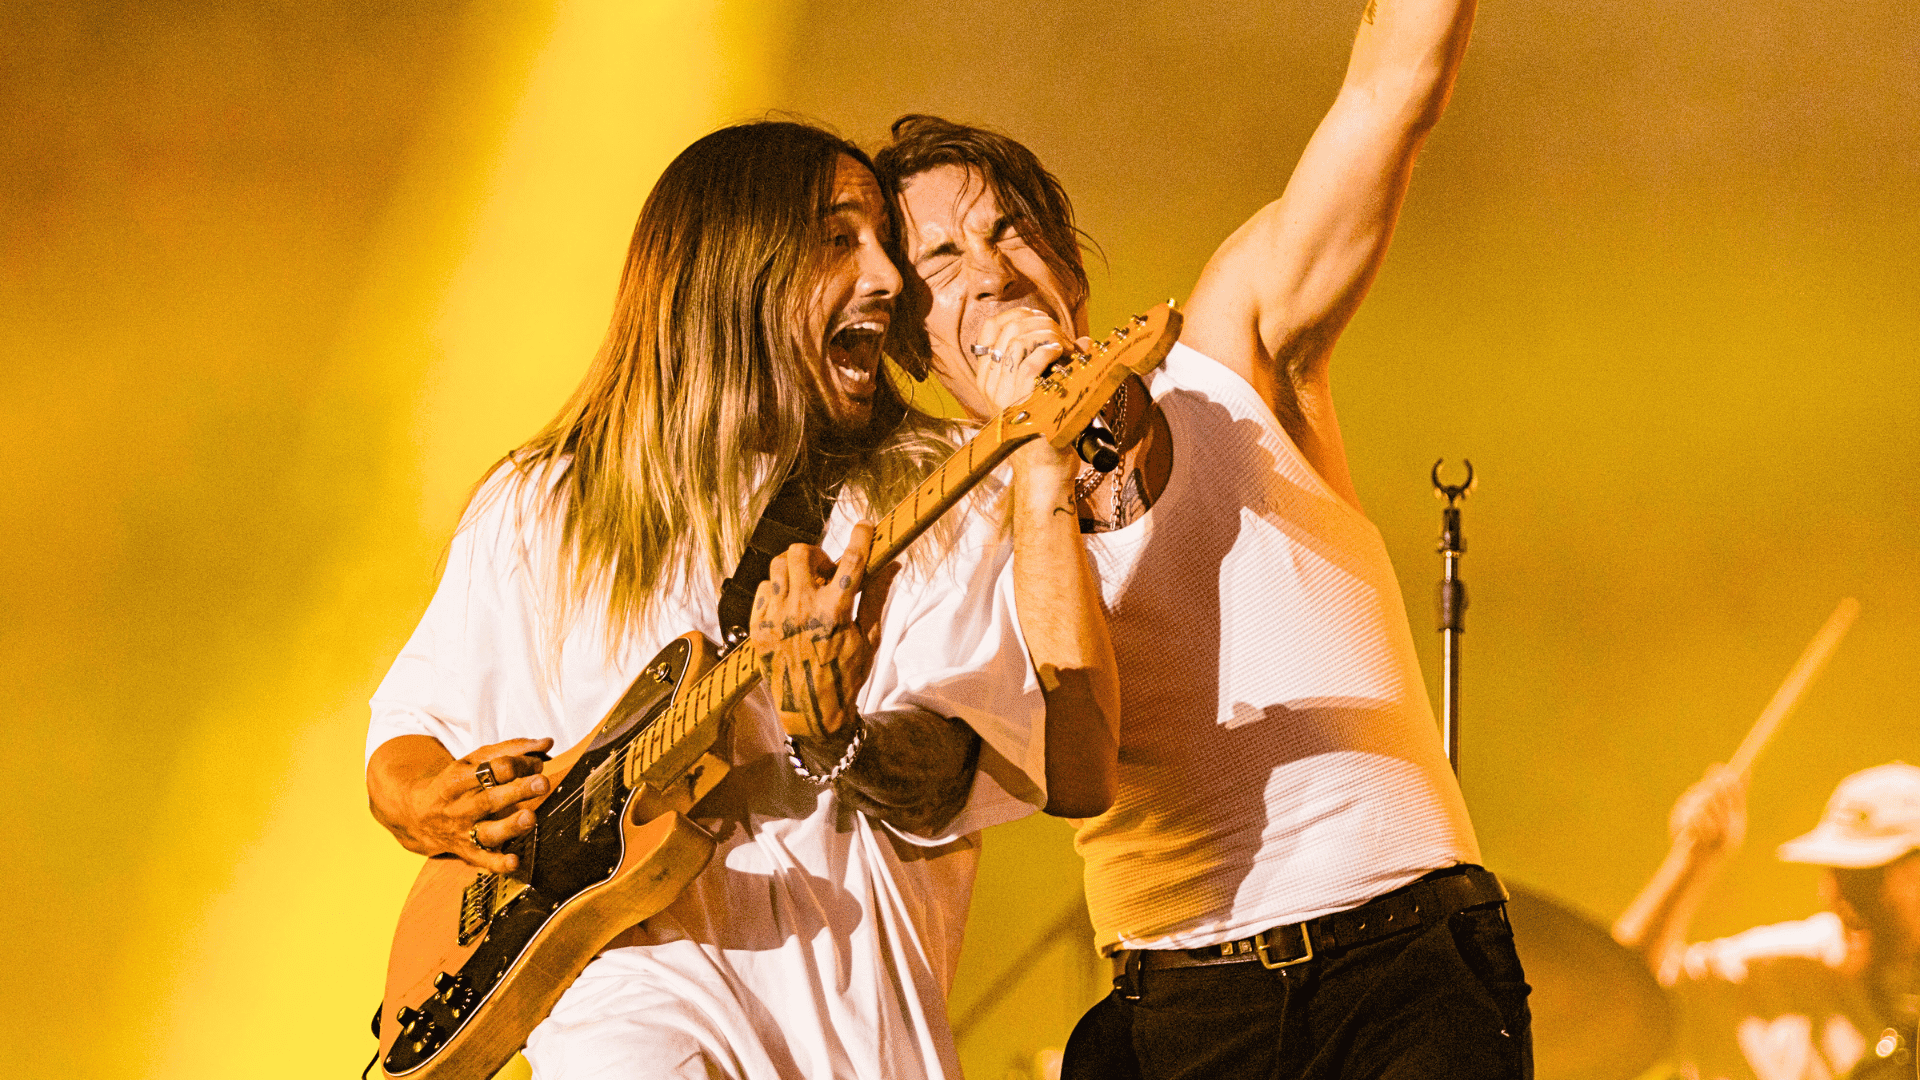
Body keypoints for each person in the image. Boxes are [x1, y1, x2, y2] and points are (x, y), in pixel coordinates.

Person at [363, 120, 1116, 1080]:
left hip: (854, 1041)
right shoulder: (539, 508)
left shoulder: (940, 497)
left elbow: (968, 764)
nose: (889, 279)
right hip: (620, 1016)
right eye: (840, 239)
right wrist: (427, 800)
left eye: (886, 243)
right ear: (732, 268)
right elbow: (409, 734)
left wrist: (840, 730)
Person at [871, 0, 1531, 1076]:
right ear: (908, 335)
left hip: (1403, 954)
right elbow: (1057, 742)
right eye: (939, 258)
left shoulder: (1229, 355)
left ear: (1066, 261)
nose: (987, 268)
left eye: (1006, 229)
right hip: (1179, 1004)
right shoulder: (943, 541)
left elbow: (1389, 92)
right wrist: (1035, 453)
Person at [1613, 762, 1920, 1080]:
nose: (1843, 896)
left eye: (1868, 876)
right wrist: (1691, 862)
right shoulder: (1769, 973)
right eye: (1837, 869)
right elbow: (1615, 999)